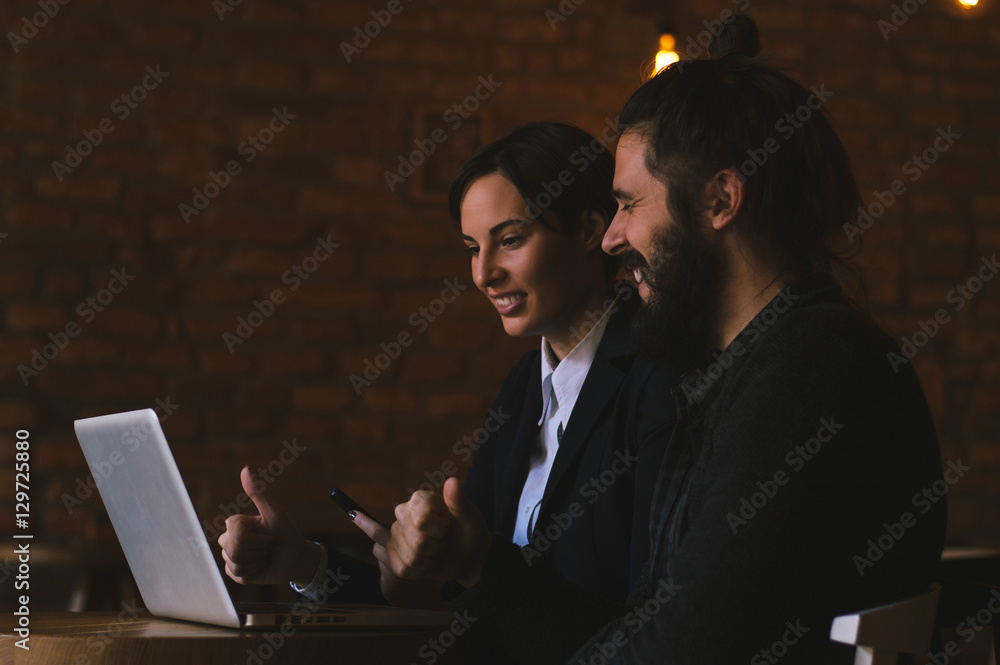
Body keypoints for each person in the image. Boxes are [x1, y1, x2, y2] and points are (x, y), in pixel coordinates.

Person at [382, 16, 946, 664]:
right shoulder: (748, 365)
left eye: (629, 204)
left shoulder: (810, 368)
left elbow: (683, 646)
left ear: (721, 200)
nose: (613, 238)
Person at [217, 122, 678, 617]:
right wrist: (304, 563)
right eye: (473, 248)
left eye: (511, 239)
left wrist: (472, 566)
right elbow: (456, 607)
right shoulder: (523, 387)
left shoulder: (661, 378)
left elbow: (654, 624)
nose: (483, 274)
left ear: (589, 230)